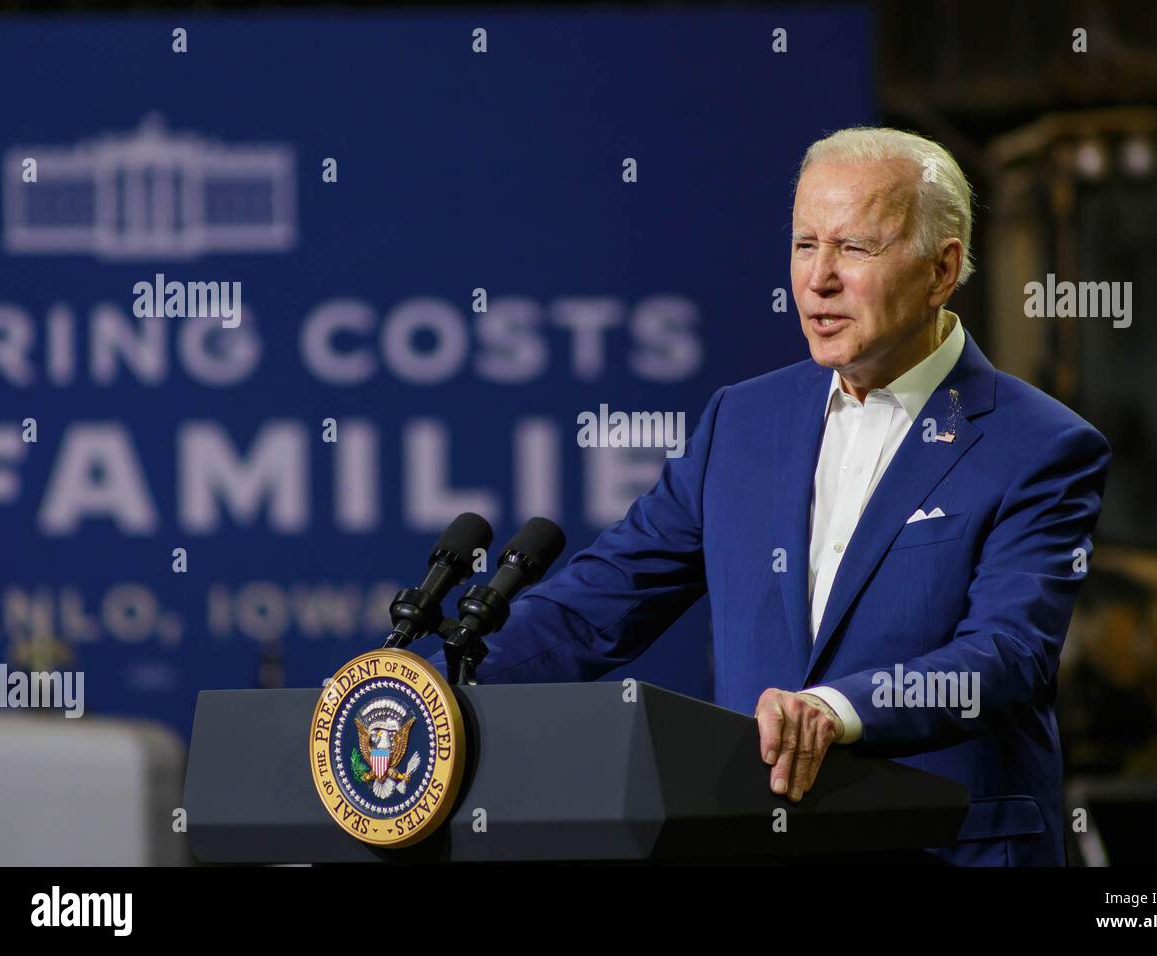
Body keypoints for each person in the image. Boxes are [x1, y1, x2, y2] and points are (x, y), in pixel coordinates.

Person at [431, 126, 1111, 866]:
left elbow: (1007, 655)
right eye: (804, 244)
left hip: (945, 849)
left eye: (854, 248)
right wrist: (428, 688)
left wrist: (837, 711)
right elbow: (599, 606)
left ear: (941, 271)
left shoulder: (1038, 445)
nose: (818, 278)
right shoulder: (742, 423)